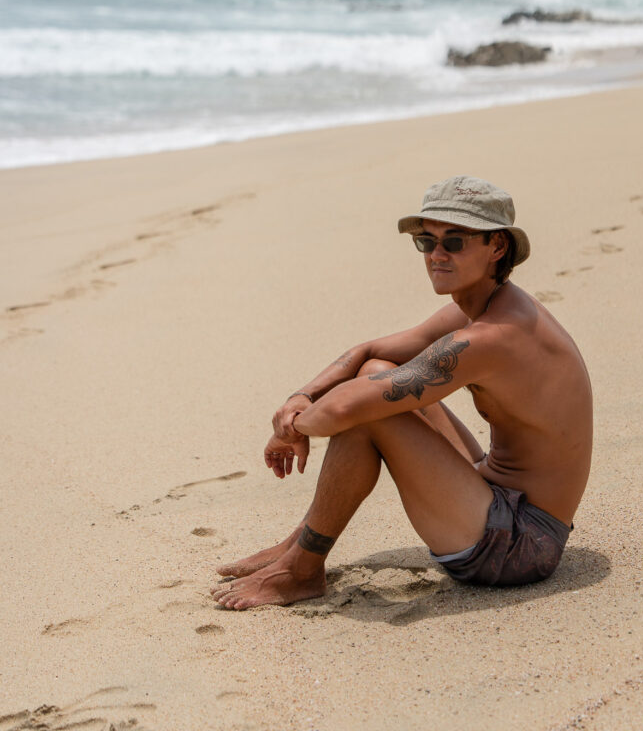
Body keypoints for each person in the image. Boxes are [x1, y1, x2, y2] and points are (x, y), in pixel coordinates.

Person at [212, 175, 593, 610]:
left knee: (369, 409)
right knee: (378, 373)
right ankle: (298, 545)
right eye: (426, 242)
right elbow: (368, 352)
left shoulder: (493, 336)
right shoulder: (480, 308)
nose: (436, 254)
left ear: (497, 247)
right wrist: (301, 396)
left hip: (520, 546)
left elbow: (347, 408)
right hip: (495, 492)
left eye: (454, 241)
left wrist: (289, 429)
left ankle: (301, 569)